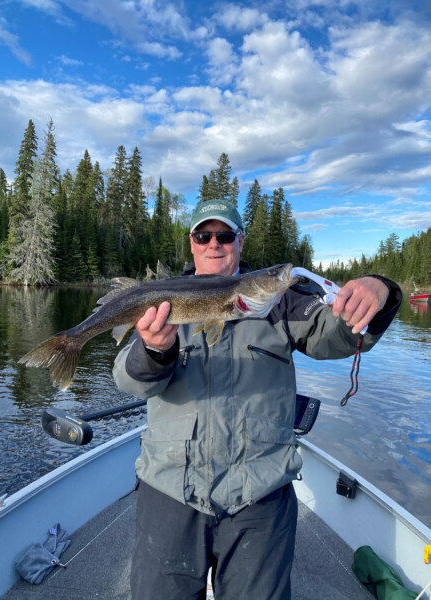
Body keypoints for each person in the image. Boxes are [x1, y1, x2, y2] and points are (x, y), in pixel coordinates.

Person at [113, 199, 402, 600]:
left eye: (225, 235)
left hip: (259, 495)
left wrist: (382, 290)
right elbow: (128, 381)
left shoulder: (283, 303)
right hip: (169, 489)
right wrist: (155, 351)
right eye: (204, 235)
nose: (214, 244)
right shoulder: (163, 301)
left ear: (240, 242)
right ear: (192, 244)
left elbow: (339, 333)